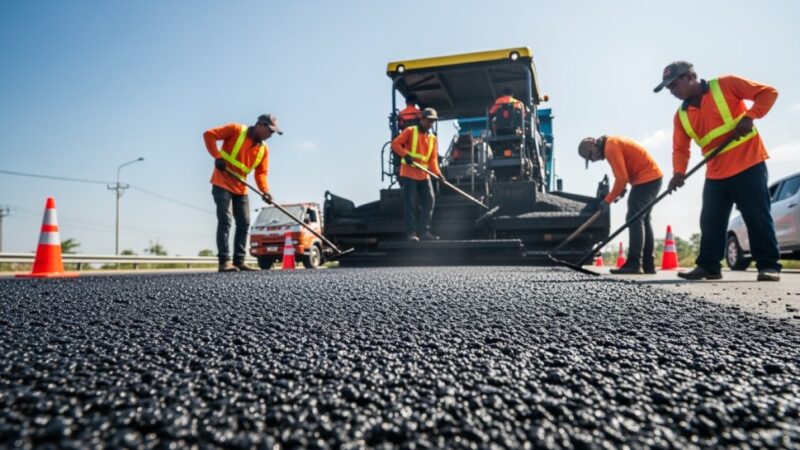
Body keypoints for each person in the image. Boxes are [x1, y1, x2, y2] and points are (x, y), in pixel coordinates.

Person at [654, 61, 780, 281]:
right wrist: (678, 172)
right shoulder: (681, 116)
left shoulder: (726, 84)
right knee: (711, 220)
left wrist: (750, 116)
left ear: (690, 76)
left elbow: (768, 93)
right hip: (716, 173)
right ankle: (709, 266)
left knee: (756, 217)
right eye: (669, 88)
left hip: (748, 163)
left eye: (674, 85)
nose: (672, 91)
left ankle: (768, 266)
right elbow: (680, 148)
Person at [204, 114, 282, 272]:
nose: (271, 135)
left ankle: (239, 261)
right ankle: (224, 261)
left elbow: (261, 174)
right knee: (225, 220)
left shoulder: (263, 149)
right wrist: (217, 156)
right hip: (222, 181)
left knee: (244, 222)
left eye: (274, 132)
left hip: (240, 186)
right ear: (260, 124)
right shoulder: (236, 130)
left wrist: (265, 191)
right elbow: (209, 135)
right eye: (270, 130)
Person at [579, 136, 663, 274]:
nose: (593, 160)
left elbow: (621, 178)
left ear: (594, 145)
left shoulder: (610, 147)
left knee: (634, 218)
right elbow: (623, 174)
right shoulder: (612, 144)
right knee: (644, 220)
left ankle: (634, 264)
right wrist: (621, 190)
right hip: (652, 178)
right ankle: (648, 265)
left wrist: (607, 200)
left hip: (646, 180)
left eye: (591, 156)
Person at [391, 108, 443, 241]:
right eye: (429, 120)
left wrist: (438, 174)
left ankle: (425, 232)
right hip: (408, 173)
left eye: (433, 121)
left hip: (423, 174)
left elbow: (432, 160)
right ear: (422, 119)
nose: (431, 123)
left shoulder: (432, 138)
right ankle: (411, 233)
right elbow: (395, 144)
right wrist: (405, 154)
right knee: (410, 203)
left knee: (430, 200)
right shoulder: (410, 131)